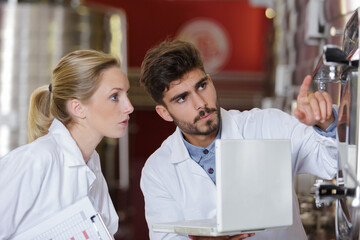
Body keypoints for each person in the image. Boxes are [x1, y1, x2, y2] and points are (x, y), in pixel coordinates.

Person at [139, 39, 338, 240]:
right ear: (164, 113)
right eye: (181, 98)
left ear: (210, 81)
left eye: (201, 86)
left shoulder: (268, 125)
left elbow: (331, 164)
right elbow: (165, 237)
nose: (200, 103)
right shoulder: (157, 170)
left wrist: (325, 122)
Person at [0, 49, 134, 239]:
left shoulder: (91, 163)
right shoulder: (35, 159)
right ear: (78, 108)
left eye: (126, 94)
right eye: (115, 96)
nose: (129, 107)